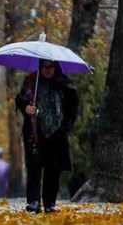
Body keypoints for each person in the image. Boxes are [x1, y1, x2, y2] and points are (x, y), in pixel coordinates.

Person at [15, 60, 78, 214]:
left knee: (53, 169)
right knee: (34, 168)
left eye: (51, 67)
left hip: (57, 133)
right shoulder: (31, 81)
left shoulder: (64, 83)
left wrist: (66, 125)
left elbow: (73, 106)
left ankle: (50, 203)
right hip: (34, 131)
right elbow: (20, 100)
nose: (48, 70)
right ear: (40, 67)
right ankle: (34, 202)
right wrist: (26, 108)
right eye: (45, 66)